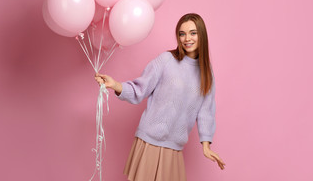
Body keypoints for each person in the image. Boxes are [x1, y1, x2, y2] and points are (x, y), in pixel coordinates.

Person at [95, 13, 225, 181]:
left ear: (202, 35)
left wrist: (206, 146)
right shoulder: (166, 61)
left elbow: (206, 112)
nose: (187, 38)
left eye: (193, 33)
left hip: (174, 148)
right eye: (182, 33)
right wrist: (116, 85)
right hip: (150, 142)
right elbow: (140, 89)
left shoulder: (207, 74)